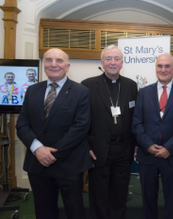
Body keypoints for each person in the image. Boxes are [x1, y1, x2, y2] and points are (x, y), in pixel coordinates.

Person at [16, 48, 92, 219]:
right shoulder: (32, 90)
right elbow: (22, 124)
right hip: (38, 164)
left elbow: (81, 127)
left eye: (59, 61)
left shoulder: (81, 92)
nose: (53, 64)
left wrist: (53, 153)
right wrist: (38, 149)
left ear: (67, 66)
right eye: (49, 60)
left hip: (69, 163)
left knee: (75, 211)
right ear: (44, 64)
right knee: (44, 212)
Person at [132, 53, 173, 219]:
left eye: (167, 66)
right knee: (148, 198)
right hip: (147, 154)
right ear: (156, 68)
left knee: (171, 198)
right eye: (160, 66)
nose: (163, 69)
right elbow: (136, 123)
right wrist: (148, 145)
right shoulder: (143, 93)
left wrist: (169, 148)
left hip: (172, 155)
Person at [81, 45, 138, 219]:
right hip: (98, 150)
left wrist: (135, 144)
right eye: (108, 59)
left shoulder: (131, 85)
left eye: (116, 59)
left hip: (124, 150)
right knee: (98, 195)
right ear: (102, 62)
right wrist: (87, 146)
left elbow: (136, 117)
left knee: (119, 194)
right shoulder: (88, 85)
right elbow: (82, 120)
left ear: (122, 63)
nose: (112, 62)